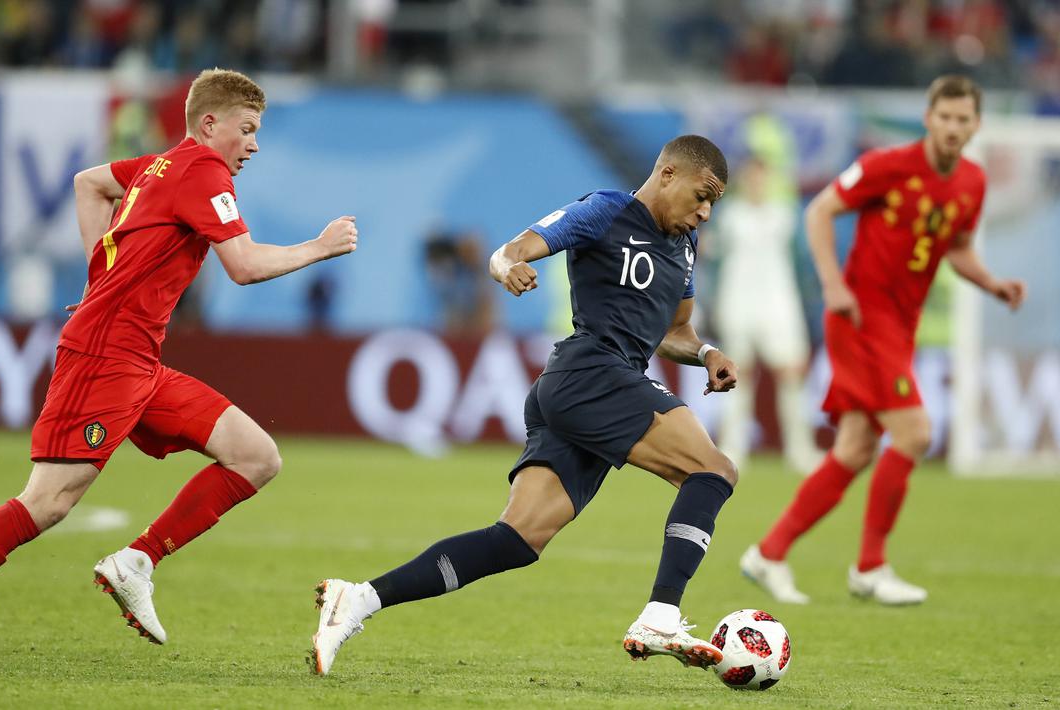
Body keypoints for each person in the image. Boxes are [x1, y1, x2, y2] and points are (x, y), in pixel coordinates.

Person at [0, 68, 359, 664]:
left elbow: (89, 183)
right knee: (49, 501)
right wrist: (319, 247)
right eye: (246, 130)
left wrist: (101, 278)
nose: (254, 145)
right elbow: (242, 265)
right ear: (209, 124)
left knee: (256, 456)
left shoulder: (159, 165)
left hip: (139, 360)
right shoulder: (203, 171)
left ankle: (137, 561)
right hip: (104, 357)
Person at [309, 135, 740, 675]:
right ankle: (661, 614)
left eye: (713, 203)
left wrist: (705, 352)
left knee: (516, 541)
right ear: (669, 174)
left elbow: (674, 330)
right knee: (713, 471)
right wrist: (506, 267)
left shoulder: (684, 245)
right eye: (702, 196)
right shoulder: (605, 211)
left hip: (592, 388)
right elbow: (508, 251)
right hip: (590, 372)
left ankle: (356, 600)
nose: (705, 213)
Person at [740, 75, 1026, 606]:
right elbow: (819, 210)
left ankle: (769, 553)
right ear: (928, 118)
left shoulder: (972, 182)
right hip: (861, 316)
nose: (953, 127)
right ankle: (870, 567)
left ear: (976, 125)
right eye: (945, 117)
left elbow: (957, 247)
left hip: (900, 324)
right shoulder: (886, 165)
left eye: (963, 119)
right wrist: (832, 284)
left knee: (854, 449)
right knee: (915, 432)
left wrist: (992, 283)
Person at [706, 156, 820, 473]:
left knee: (791, 374)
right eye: (751, 177)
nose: (756, 183)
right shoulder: (728, 217)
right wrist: (711, 304)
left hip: (779, 304)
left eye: (761, 177)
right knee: (734, 376)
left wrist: (808, 304)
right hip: (737, 303)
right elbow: (713, 264)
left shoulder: (785, 216)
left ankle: (800, 449)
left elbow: (801, 264)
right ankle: (732, 449)